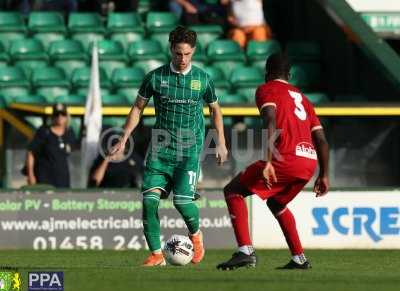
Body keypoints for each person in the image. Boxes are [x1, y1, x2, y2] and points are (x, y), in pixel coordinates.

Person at [110, 26, 228, 266]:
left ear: (193, 51)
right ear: (170, 50)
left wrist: (221, 142)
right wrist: (123, 138)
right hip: (160, 151)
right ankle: (156, 255)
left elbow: (215, 109)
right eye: (177, 54)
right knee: (149, 201)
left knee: (182, 202)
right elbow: (137, 108)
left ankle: (196, 236)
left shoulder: (203, 79)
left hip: (189, 151)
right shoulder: (155, 77)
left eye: (186, 54)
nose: (182, 59)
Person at [217, 53, 329, 270]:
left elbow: (270, 120)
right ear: (290, 74)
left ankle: (245, 252)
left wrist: (268, 161)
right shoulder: (303, 99)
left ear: (267, 73)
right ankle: (299, 259)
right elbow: (322, 141)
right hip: (308, 163)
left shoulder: (266, 89)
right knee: (277, 203)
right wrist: (324, 175)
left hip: (284, 159)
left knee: (233, 190)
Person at [25, 103, 77, 188]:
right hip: (44, 178)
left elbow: (71, 152)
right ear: (52, 116)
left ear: (67, 116)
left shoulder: (69, 132)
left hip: (62, 179)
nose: (60, 117)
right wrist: (30, 175)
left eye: (63, 114)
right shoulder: (44, 131)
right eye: (57, 114)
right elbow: (31, 152)